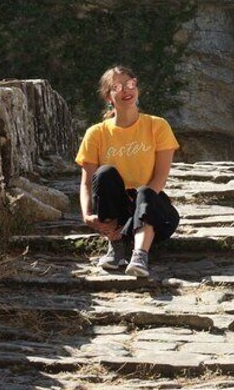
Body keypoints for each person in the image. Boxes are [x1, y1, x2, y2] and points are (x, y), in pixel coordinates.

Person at [75, 66, 180, 277]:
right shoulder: (96, 133)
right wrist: (87, 214)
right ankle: (116, 246)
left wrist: (132, 221)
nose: (126, 90)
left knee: (145, 192)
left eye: (130, 84)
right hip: (117, 214)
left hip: (153, 208)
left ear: (137, 87)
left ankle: (139, 254)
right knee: (105, 174)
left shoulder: (157, 126)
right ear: (108, 96)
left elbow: (160, 178)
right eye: (117, 86)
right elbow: (87, 182)